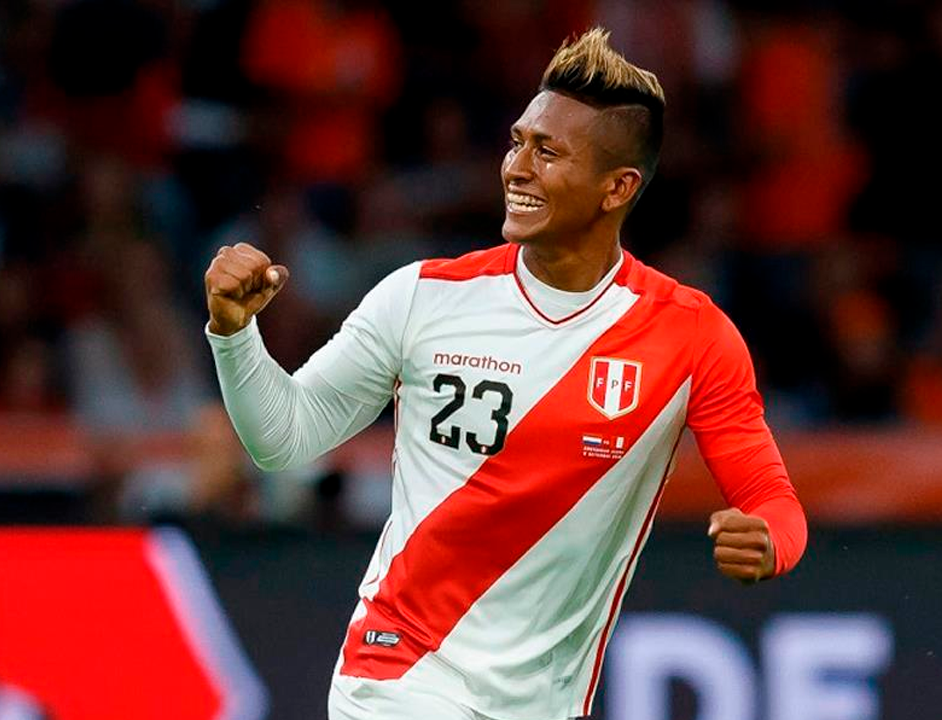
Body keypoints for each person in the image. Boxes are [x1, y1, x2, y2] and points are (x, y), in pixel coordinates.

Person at [205, 28, 806, 720]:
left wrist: (769, 542)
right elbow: (282, 437)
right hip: (400, 675)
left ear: (617, 188)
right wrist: (234, 333)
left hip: (546, 703)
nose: (516, 168)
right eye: (517, 142)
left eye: (547, 152)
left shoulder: (691, 336)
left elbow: (771, 498)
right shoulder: (423, 296)